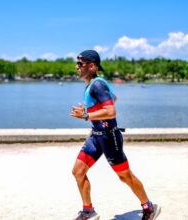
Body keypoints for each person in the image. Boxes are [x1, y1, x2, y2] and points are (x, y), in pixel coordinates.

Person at [70, 50, 161, 220]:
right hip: (96, 136)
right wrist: (90, 110)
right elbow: (114, 98)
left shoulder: (98, 84)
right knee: (78, 171)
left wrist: (86, 115)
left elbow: (111, 110)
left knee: (124, 176)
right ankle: (88, 211)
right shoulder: (92, 85)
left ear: (92, 66)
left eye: (80, 64)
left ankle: (148, 207)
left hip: (109, 137)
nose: (77, 67)